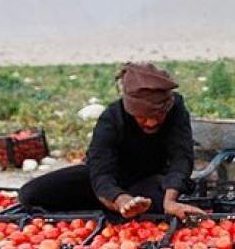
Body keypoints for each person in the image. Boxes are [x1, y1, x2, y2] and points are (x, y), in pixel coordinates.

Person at [19, 62, 203, 219]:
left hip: (151, 181)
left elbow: (181, 157)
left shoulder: (175, 108)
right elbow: (100, 171)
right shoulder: (111, 119)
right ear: (130, 110)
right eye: (143, 117)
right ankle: (112, 208)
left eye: (159, 114)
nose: (152, 122)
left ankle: (122, 211)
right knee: (31, 194)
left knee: (157, 204)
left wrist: (170, 201)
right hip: (109, 181)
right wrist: (121, 200)